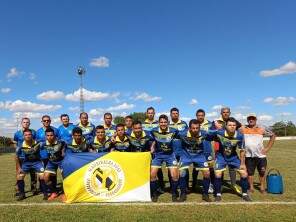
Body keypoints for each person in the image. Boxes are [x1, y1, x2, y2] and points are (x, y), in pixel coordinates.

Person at [210, 118, 251, 201]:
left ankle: (245, 194)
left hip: (233, 157)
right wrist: (214, 126)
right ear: (226, 126)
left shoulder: (240, 135)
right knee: (218, 174)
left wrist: (242, 163)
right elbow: (208, 133)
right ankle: (218, 194)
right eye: (230, 125)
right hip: (221, 157)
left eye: (234, 125)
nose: (232, 127)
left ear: (236, 126)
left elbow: (242, 150)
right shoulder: (220, 132)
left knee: (244, 173)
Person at [178, 119, 212, 202]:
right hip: (186, 155)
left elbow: (216, 133)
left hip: (199, 156)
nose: (195, 130)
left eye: (197, 128)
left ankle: (205, 194)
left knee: (207, 173)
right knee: (182, 173)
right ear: (189, 128)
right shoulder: (182, 133)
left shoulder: (204, 133)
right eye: (193, 128)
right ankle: (183, 193)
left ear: (200, 128)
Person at [241, 113, 276, 193]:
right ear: (247, 120)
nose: (251, 120)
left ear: (256, 120)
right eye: (249, 118)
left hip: (261, 156)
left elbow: (273, 135)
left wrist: (267, 148)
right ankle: (251, 187)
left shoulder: (261, 128)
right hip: (248, 155)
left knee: (262, 172)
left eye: (253, 118)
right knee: (250, 173)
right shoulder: (243, 129)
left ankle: (262, 187)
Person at [150, 115, 179, 202]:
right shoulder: (153, 131)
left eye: (165, 122)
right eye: (161, 122)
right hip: (158, 155)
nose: (163, 124)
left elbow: (178, 140)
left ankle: (174, 193)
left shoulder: (174, 131)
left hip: (170, 155)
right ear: (159, 123)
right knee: (152, 175)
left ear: (168, 123)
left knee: (175, 176)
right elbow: (154, 139)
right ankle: (154, 194)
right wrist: (152, 146)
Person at [212, 107, 241, 194]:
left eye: (227, 112)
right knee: (220, 167)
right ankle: (220, 185)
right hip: (219, 146)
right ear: (221, 113)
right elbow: (212, 133)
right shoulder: (216, 122)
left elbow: (240, 128)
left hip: (231, 147)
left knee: (232, 167)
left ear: (230, 113)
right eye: (224, 112)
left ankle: (233, 185)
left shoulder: (233, 121)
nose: (225, 113)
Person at [15, 129, 47, 201]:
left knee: (42, 176)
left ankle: (45, 194)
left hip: (37, 162)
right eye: (26, 135)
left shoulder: (38, 143)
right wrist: (19, 167)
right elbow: (16, 156)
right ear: (23, 136)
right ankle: (22, 194)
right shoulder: (20, 145)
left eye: (29, 134)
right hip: (26, 163)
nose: (28, 136)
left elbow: (47, 143)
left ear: (32, 135)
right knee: (20, 177)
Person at [13, 117, 37, 195]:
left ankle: (33, 189)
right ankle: (19, 189)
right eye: (24, 122)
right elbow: (15, 143)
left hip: (31, 156)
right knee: (19, 172)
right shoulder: (17, 133)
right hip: (21, 157)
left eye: (27, 122)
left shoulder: (33, 132)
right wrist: (17, 151)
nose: (26, 123)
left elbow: (35, 143)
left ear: (29, 124)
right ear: (21, 123)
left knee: (33, 173)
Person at [41, 128, 66, 200]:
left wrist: (63, 152)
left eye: (51, 135)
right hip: (51, 162)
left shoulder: (61, 142)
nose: (49, 137)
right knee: (45, 177)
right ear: (45, 136)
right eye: (47, 135)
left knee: (65, 177)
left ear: (54, 135)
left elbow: (65, 148)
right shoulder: (43, 143)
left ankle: (65, 193)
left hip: (61, 162)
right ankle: (54, 192)